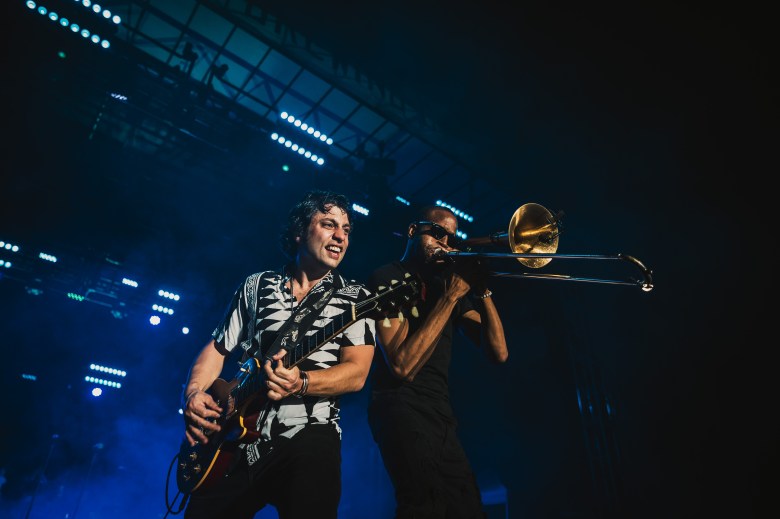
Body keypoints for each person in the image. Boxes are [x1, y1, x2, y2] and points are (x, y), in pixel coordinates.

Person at [179, 190, 377, 519]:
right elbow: (216, 349)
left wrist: (302, 382)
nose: (340, 236)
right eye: (329, 224)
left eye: (346, 229)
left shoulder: (356, 297)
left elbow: (357, 372)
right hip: (233, 441)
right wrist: (193, 393)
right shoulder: (256, 285)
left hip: (310, 435)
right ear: (299, 231)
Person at [366, 205, 509, 518]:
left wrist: (482, 290)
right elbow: (402, 366)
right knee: (424, 505)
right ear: (413, 230)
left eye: (452, 238)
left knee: (469, 508)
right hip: (398, 405)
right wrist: (450, 298)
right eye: (438, 232)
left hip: (441, 412)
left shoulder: (447, 286)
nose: (445, 241)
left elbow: (498, 352)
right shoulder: (387, 276)